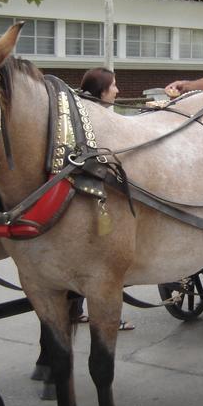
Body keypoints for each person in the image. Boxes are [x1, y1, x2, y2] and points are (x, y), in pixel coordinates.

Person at [76, 67, 133, 330]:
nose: (118, 90)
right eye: (114, 85)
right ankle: (111, 315)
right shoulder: (101, 117)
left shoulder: (80, 111)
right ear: (102, 90)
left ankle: (77, 308)